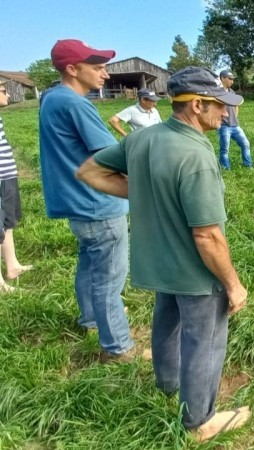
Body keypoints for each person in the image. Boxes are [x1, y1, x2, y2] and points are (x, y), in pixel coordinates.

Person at [76, 66, 251, 442]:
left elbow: (89, 172)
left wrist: (142, 192)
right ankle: (199, 421)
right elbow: (207, 237)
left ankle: (168, 384)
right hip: (194, 272)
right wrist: (233, 285)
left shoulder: (143, 138)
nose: (226, 114)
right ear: (197, 105)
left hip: (157, 262)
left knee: (166, 325)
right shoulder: (197, 156)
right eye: (220, 106)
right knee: (204, 341)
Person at [38, 39, 135, 359]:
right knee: (109, 279)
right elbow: (111, 155)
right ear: (72, 69)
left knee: (89, 266)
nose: (105, 74)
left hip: (75, 204)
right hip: (99, 204)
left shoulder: (51, 98)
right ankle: (117, 347)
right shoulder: (77, 104)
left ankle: (91, 319)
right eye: (97, 67)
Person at [0, 81, 32, 292]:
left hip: (7, 175)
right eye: (3, 91)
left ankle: (12, 266)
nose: (8, 95)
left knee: (8, 222)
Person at [217, 69, 252, 169]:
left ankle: (248, 165)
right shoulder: (217, 93)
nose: (232, 81)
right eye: (230, 79)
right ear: (223, 78)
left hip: (235, 125)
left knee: (245, 144)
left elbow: (236, 105)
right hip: (223, 126)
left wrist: (235, 116)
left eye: (233, 79)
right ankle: (226, 168)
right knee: (225, 149)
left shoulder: (231, 91)